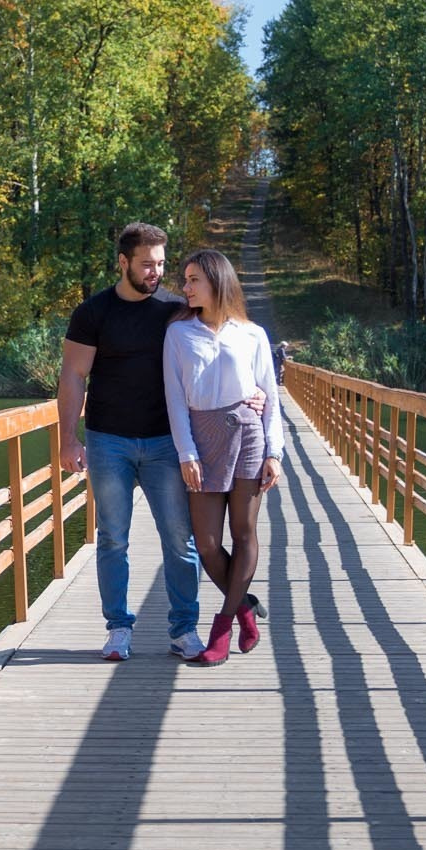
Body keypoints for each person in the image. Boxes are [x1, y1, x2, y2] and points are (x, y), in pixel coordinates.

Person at [58, 223, 266, 662]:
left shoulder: (177, 309)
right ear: (123, 262)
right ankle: (118, 628)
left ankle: (184, 629)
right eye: (147, 264)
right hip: (107, 439)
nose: (156, 273)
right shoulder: (93, 312)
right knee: (112, 537)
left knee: (180, 538)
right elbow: (73, 376)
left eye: (160, 264)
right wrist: (67, 439)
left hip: (166, 442)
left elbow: (222, 343)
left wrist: (255, 391)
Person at [163, 248, 283, 667]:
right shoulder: (178, 333)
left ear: (216, 281)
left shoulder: (252, 334)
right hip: (202, 439)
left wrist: (276, 452)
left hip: (248, 435)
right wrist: (186, 452)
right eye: (185, 279)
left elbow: (270, 396)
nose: (186, 286)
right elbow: (175, 399)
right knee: (208, 544)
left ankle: (223, 625)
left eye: (194, 279)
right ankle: (246, 606)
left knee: (244, 533)